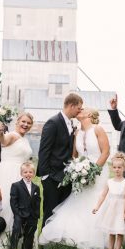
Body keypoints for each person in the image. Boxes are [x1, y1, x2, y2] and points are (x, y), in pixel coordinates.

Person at [38, 108, 109, 249]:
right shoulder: (77, 132)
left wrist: (93, 171)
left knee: (95, 202)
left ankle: (99, 240)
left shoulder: (98, 129)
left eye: (83, 109)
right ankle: (75, 239)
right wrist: (77, 169)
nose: (80, 110)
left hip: (98, 171)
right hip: (80, 173)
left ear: (89, 114)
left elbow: (106, 152)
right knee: (78, 202)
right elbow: (74, 155)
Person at [0, 112, 34, 249]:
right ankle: (2, 241)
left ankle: (17, 241)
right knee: (8, 204)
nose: (25, 125)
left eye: (28, 123)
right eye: (23, 122)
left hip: (21, 175)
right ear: (17, 121)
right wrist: (0, 131)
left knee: (21, 206)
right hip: (8, 173)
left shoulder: (24, 139)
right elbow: (2, 140)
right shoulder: (13, 135)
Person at [39, 93, 83, 227]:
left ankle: (56, 240)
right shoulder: (53, 122)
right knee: (50, 210)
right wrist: (45, 175)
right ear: (71, 105)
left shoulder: (70, 123)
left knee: (61, 210)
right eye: (79, 108)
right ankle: (44, 243)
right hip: (52, 176)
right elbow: (44, 150)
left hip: (65, 176)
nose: (80, 111)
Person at [93, 152, 125, 249]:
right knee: (111, 232)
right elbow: (103, 195)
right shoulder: (109, 182)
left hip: (121, 210)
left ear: (124, 168)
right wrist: (97, 206)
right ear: (112, 168)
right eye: (114, 167)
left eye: (119, 167)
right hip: (111, 211)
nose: (117, 169)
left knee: (119, 232)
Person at [9, 162, 42, 249]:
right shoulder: (16, 185)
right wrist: (17, 214)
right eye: (25, 172)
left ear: (34, 174)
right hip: (20, 213)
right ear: (21, 173)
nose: (28, 174)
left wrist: (36, 215)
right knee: (16, 231)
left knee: (30, 233)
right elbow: (13, 201)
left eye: (30, 172)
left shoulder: (36, 187)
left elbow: (38, 202)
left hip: (32, 215)